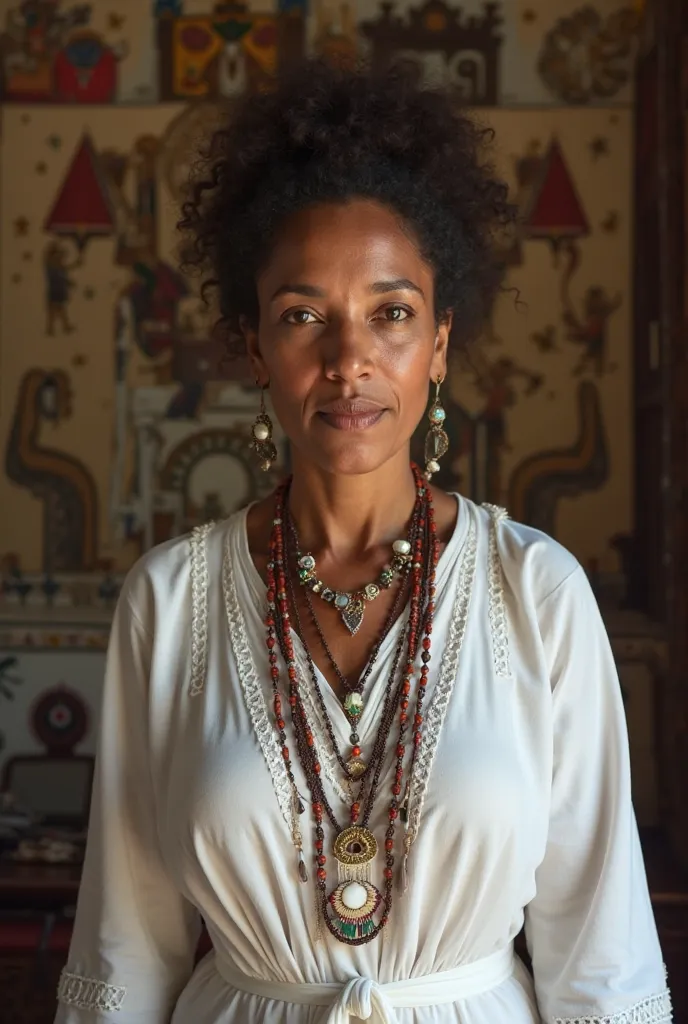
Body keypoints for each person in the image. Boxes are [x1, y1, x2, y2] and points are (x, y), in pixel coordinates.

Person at [54, 61, 672, 1024]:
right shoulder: (170, 601)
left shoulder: (535, 589)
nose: (350, 361)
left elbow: (600, 956)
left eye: (392, 314)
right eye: (305, 317)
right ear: (256, 347)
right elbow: (127, 947)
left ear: (439, 344)